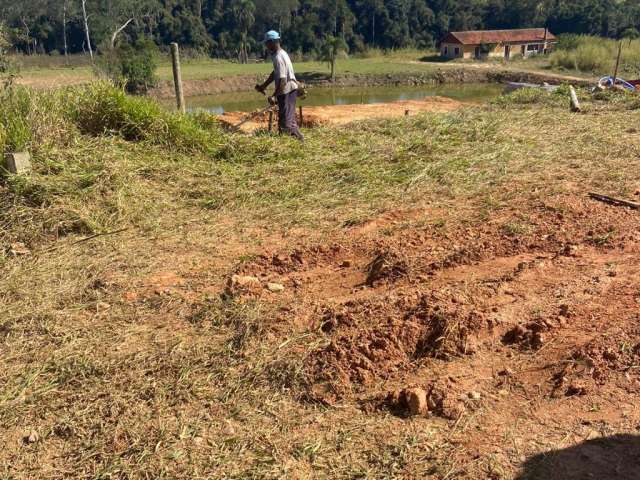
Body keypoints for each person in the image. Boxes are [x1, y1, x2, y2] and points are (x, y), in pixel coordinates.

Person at [256, 31, 304, 141]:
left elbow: (282, 80)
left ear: (272, 42)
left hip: (287, 90)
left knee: (288, 122)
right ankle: (283, 143)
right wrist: (264, 86)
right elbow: (275, 73)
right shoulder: (279, 54)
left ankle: (300, 142)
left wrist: (274, 96)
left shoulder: (278, 57)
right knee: (283, 120)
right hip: (285, 91)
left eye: (267, 43)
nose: (266, 46)